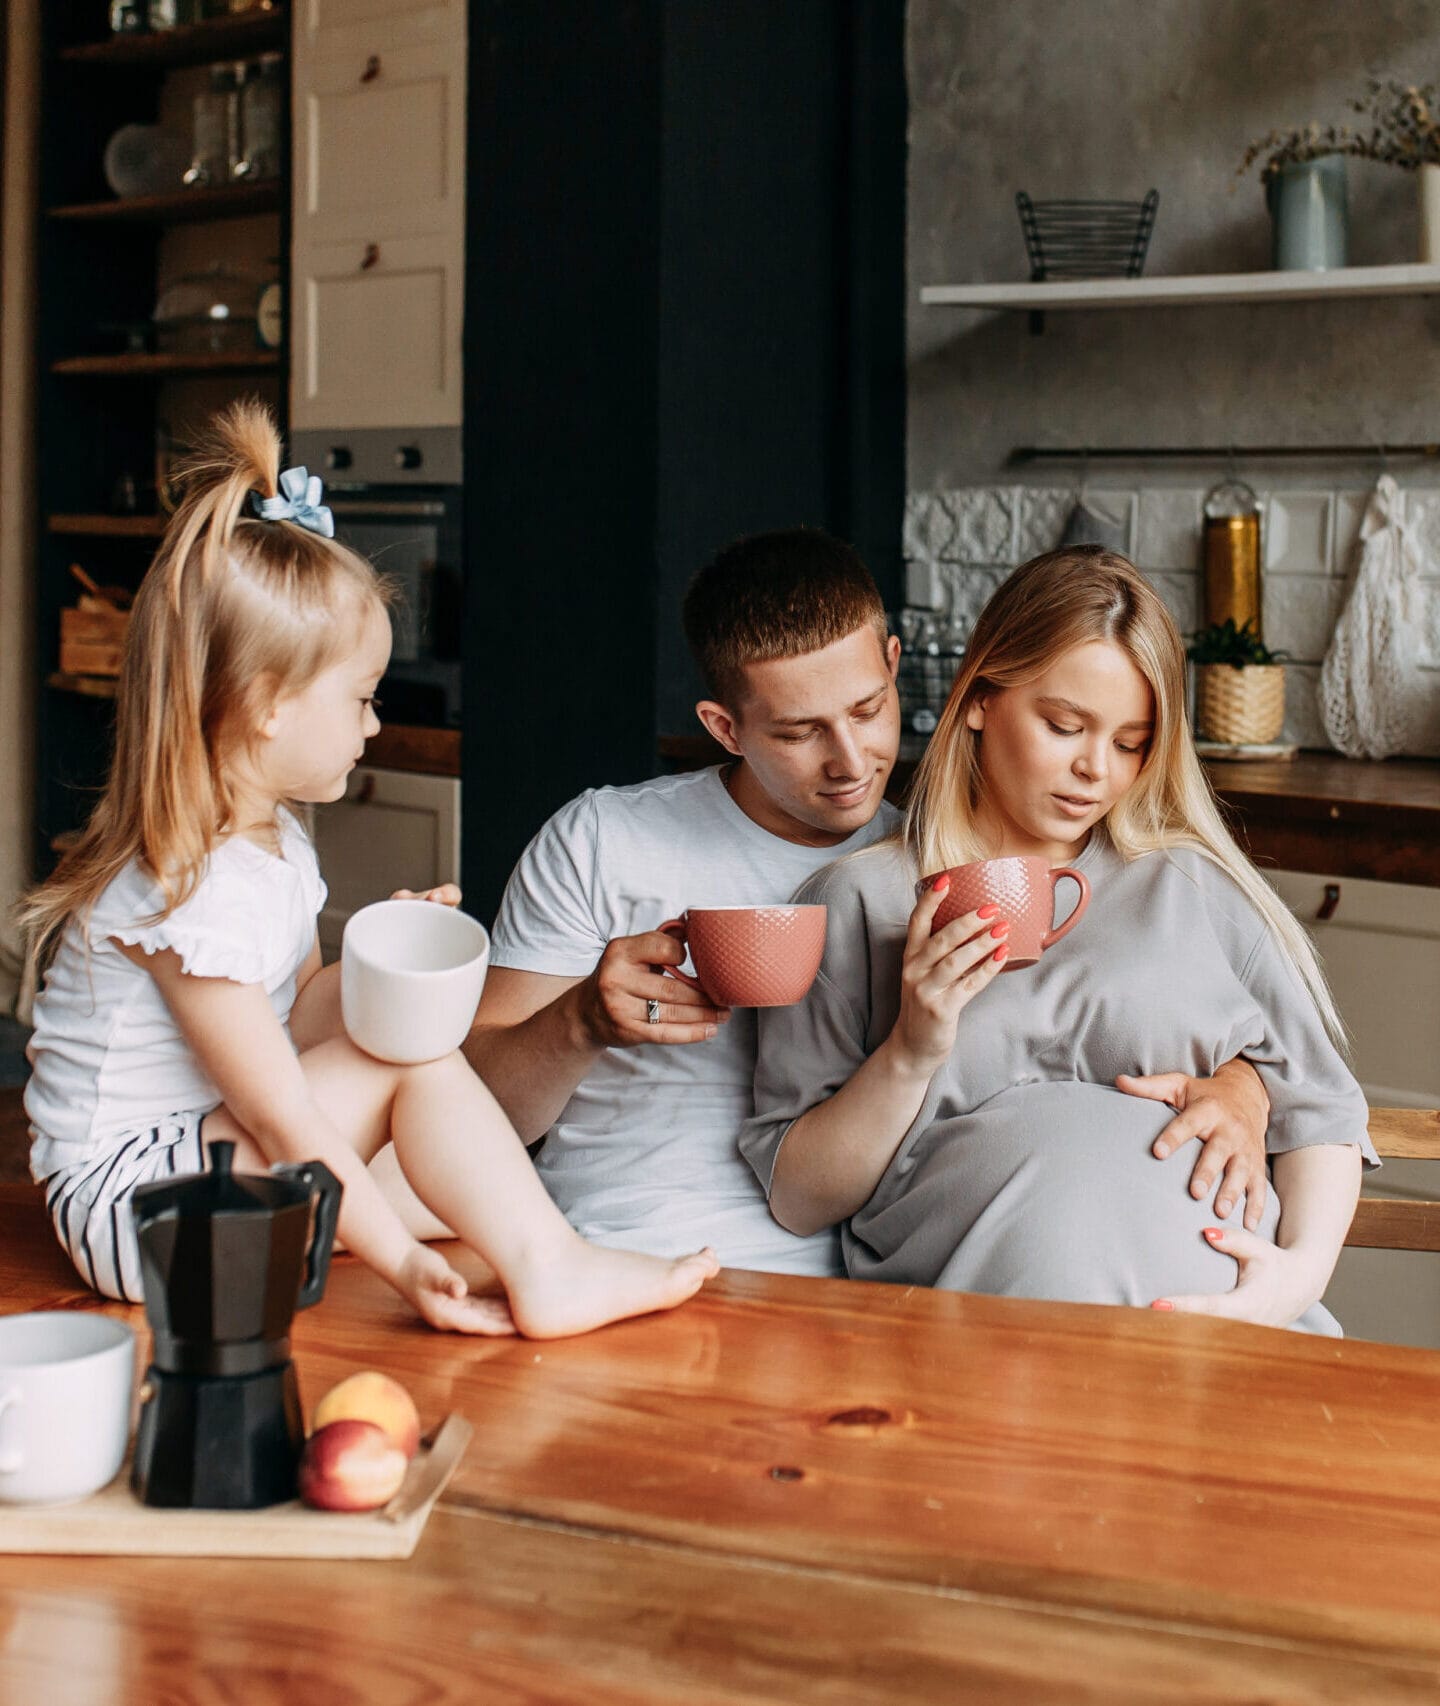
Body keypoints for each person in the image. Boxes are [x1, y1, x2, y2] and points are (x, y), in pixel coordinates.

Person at [21, 401, 716, 1336]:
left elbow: (302, 1014)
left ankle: (546, 1248)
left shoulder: (272, 844)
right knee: (415, 1085)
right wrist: (408, 1267)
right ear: (268, 706)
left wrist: (382, 967)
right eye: (358, 698)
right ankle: (550, 1269)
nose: (375, 725)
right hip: (130, 1212)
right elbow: (285, 1121)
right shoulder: (193, 886)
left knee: (448, 1168)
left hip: (197, 1161)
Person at [466, 529, 1273, 1277]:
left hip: (855, 1278)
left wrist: (1244, 1083)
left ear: (894, 664)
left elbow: (1098, 1019)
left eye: (867, 710)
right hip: (614, 1248)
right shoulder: (605, 838)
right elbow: (479, 1112)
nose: (850, 762)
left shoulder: (947, 872)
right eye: (796, 732)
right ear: (725, 727)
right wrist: (580, 1021)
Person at [740, 546, 1376, 1333]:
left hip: (1233, 1328)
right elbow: (802, 1199)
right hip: (989, 1340)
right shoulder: (862, 902)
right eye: (1064, 725)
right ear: (978, 698)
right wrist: (912, 1049)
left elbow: (1324, 1115)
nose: (1094, 771)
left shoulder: (1191, 886)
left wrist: (1295, 1279)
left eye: (1130, 742)